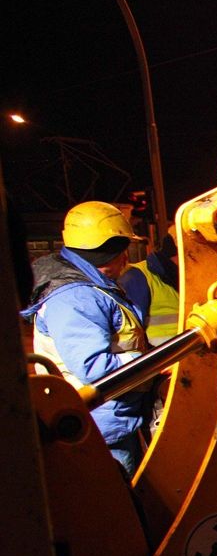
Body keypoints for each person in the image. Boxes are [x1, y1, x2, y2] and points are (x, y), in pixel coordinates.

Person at [23, 201, 150, 476]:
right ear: (109, 252)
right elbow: (93, 368)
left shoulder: (89, 285)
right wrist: (148, 363)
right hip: (100, 426)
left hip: (111, 417)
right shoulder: (76, 297)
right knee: (117, 497)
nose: (126, 259)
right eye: (122, 251)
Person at [119, 227, 180, 344]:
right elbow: (128, 336)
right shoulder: (136, 277)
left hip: (194, 352)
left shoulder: (191, 277)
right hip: (162, 354)